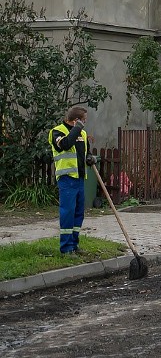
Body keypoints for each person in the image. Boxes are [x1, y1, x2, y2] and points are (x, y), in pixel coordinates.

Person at [49, 106, 96, 255]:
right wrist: (76, 128)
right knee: (67, 212)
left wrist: (90, 158)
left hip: (80, 179)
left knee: (78, 213)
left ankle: (74, 245)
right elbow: (65, 145)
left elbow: (85, 152)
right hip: (66, 179)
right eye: (84, 120)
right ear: (76, 120)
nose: (85, 123)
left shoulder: (82, 133)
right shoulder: (57, 131)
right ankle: (66, 248)